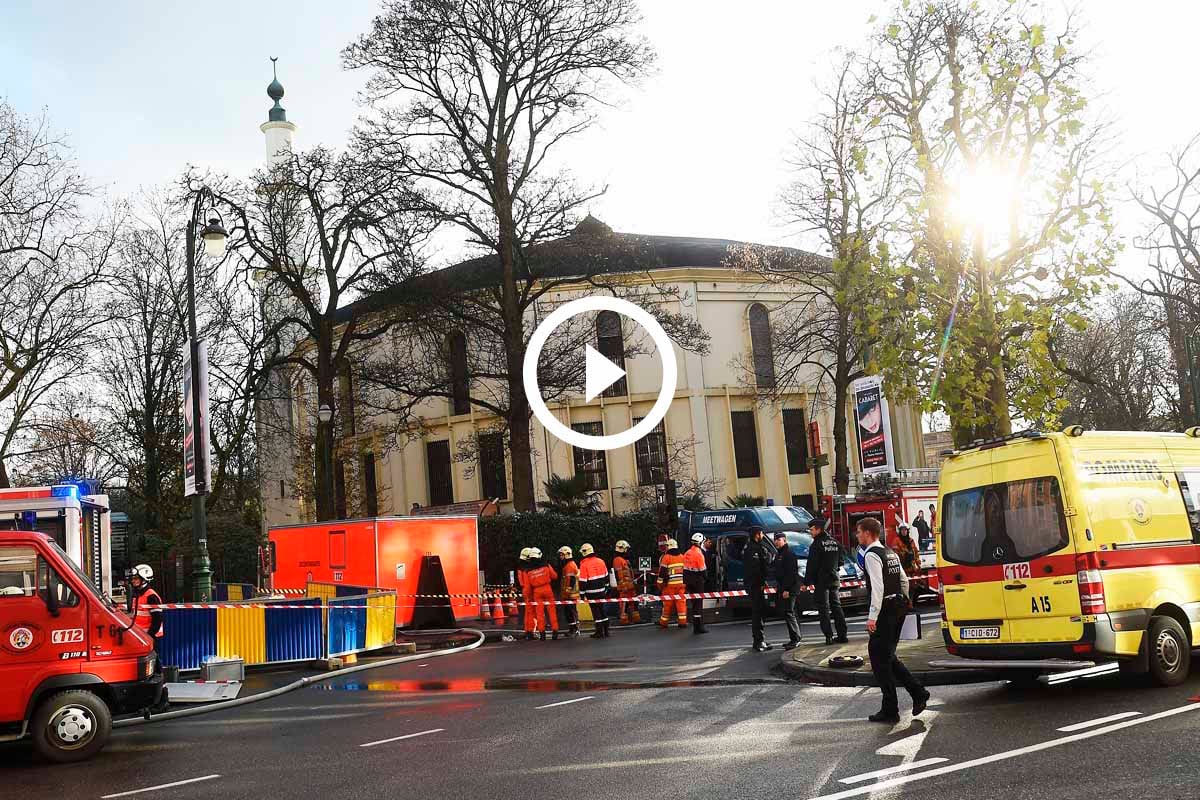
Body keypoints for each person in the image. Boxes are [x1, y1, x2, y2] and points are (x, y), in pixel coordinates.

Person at [857, 517, 929, 724]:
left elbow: (878, 588)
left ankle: (892, 708)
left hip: (885, 610)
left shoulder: (871, 554)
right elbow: (904, 580)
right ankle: (917, 693)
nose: (858, 535)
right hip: (897, 606)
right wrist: (905, 601)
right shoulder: (890, 552)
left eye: (859, 532)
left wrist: (872, 617)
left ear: (869, 533)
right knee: (887, 656)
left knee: (879, 660)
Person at [804, 518, 848, 645]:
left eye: (812, 530)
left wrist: (807, 582)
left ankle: (828, 636)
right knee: (837, 607)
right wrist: (833, 569)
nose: (810, 532)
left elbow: (811, 566)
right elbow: (841, 561)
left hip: (821, 581)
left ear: (819, 529)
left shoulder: (816, 544)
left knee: (824, 609)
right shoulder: (835, 542)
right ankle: (842, 635)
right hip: (834, 579)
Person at [743, 525, 775, 652]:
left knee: (759, 612)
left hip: (755, 584)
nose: (762, 536)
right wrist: (761, 582)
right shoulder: (754, 549)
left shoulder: (751, 548)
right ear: (757, 534)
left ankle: (759, 639)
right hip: (755, 585)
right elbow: (756, 569)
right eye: (761, 534)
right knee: (758, 613)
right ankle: (758, 641)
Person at [771, 532, 802, 648]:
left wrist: (787, 589)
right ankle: (793, 638)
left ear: (784, 540)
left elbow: (791, 574)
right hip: (784, 587)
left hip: (790, 588)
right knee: (789, 612)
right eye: (775, 540)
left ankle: (796, 639)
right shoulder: (779, 554)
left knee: (790, 612)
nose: (776, 542)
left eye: (779, 540)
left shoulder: (788, 554)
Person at [524, 548, 560, 640]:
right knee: (552, 612)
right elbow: (555, 576)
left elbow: (527, 588)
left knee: (539, 613)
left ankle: (542, 634)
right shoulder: (546, 565)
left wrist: (528, 597)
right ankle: (555, 632)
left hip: (536, 592)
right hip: (548, 589)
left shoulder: (527, 571)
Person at [578, 543, 611, 638]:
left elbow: (583, 581)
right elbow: (606, 576)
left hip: (591, 592)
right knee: (602, 609)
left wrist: (581, 594)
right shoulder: (601, 561)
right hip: (601, 591)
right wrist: (606, 588)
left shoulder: (584, 564)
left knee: (595, 611)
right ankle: (606, 631)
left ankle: (599, 631)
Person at [127, 564, 163, 644]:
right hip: (140, 634)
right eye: (132, 579)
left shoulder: (151, 596)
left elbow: (157, 619)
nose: (133, 581)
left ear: (144, 579)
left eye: (136, 578)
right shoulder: (137, 594)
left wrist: (149, 636)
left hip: (149, 636)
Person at [656, 539, 687, 629]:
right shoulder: (682, 556)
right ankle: (682, 622)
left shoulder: (666, 557)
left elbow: (662, 573)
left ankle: (664, 622)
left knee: (667, 604)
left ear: (668, 547)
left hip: (670, 585)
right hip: (681, 584)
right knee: (681, 603)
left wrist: (659, 584)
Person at [683, 533, 708, 635]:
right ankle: (699, 627)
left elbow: (684, 568)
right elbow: (703, 570)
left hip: (688, 581)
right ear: (700, 542)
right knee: (698, 605)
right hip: (698, 581)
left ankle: (696, 626)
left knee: (694, 605)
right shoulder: (699, 554)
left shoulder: (687, 553)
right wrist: (706, 578)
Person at [612, 540, 641, 624]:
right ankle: (624, 619)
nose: (628, 551)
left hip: (630, 586)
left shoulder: (624, 560)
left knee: (634, 602)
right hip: (625, 587)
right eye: (626, 549)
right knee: (624, 603)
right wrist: (622, 586)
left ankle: (636, 618)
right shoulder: (618, 560)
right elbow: (619, 574)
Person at [557, 546, 581, 638]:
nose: (560, 557)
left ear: (566, 554)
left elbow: (572, 580)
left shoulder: (570, 565)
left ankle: (575, 630)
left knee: (572, 612)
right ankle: (572, 629)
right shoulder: (568, 565)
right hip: (568, 595)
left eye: (561, 555)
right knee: (568, 612)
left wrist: (568, 590)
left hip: (570, 595)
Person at [518, 547, 537, 640]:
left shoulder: (521, 568)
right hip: (531, 591)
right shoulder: (530, 569)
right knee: (533, 612)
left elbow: (521, 583)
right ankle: (532, 632)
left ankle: (527, 631)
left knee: (527, 612)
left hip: (525, 591)